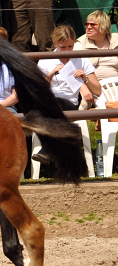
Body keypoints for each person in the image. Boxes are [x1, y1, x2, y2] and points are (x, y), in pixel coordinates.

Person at [33, 24, 101, 163]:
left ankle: (47, 149)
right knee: (53, 104)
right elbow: (38, 90)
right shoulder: (46, 60)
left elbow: (97, 90)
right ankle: (72, 152)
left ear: (74, 43)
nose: (67, 50)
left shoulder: (81, 59)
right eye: (62, 47)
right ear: (54, 43)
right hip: (49, 104)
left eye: (70, 46)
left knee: (57, 105)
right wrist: (51, 74)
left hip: (69, 104)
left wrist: (85, 78)